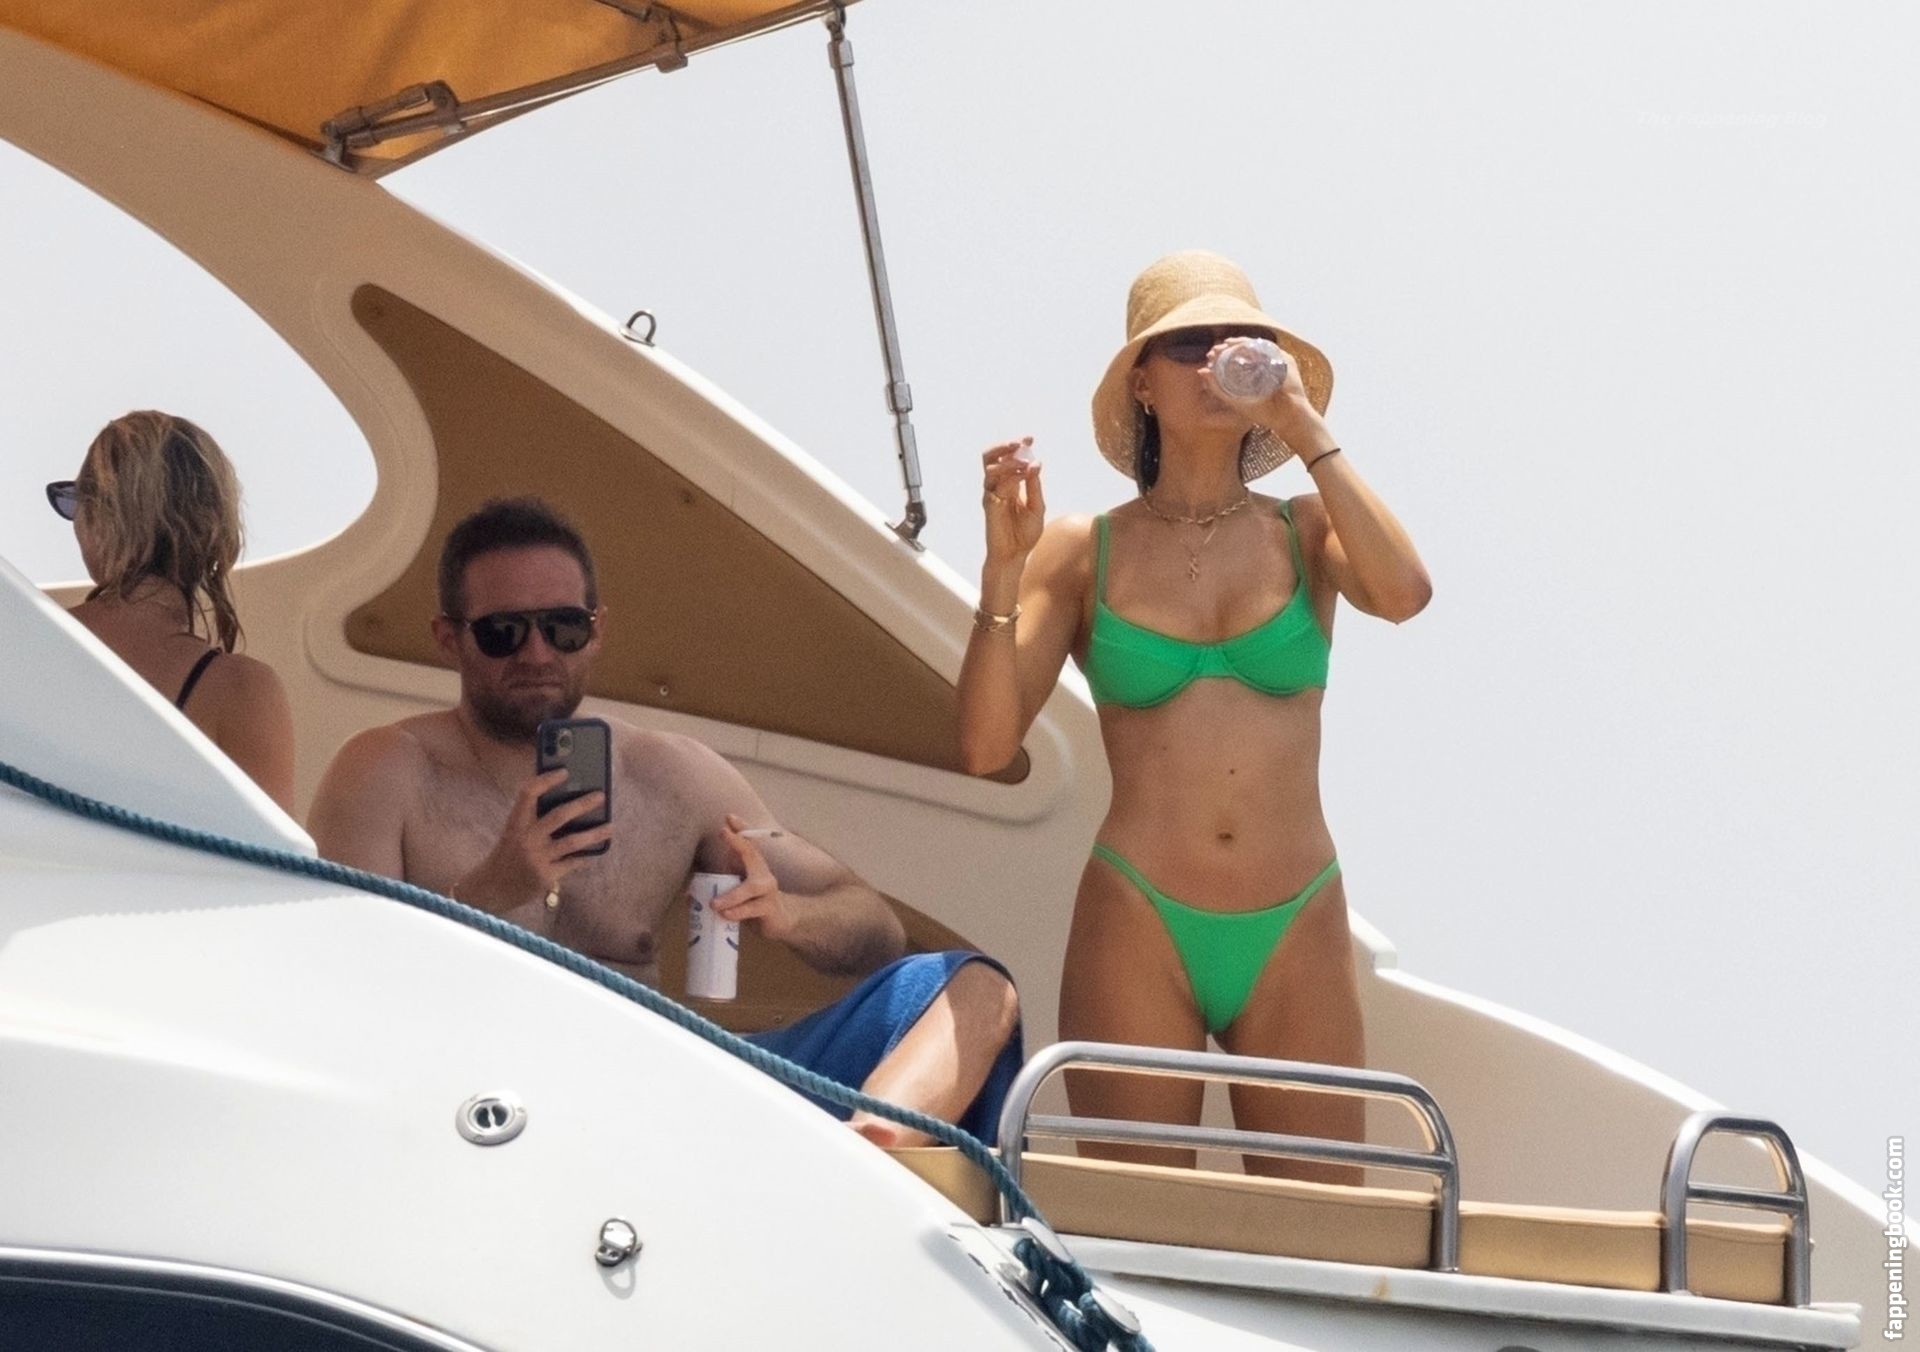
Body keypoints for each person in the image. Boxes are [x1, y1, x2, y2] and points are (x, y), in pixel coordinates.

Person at [309, 498, 1021, 1146]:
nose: (537, 653)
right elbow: (337, 988)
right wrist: (491, 892)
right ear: (448, 638)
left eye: (562, 628)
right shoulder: (385, 772)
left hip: (664, 1091)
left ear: (597, 632)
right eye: (503, 633)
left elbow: (877, 931)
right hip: (476, 1106)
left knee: (976, 988)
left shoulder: (672, 775)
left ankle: (870, 1159)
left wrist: (789, 915)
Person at [956, 251, 1431, 1179]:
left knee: (1325, 1231)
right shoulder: (1081, 551)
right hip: (1139, 914)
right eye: (1188, 345)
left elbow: (1405, 593)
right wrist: (1003, 569)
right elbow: (983, 747)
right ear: (1141, 381)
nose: (1215, 361)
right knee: (1139, 1220)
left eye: (1238, 343)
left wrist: (1302, 424)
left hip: (1296, 917)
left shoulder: (1308, 529)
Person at [51, 410, 295, 811]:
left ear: (96, 517)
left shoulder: (20, 641)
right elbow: (268, 852)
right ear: (215, 532)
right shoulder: (242, 692)